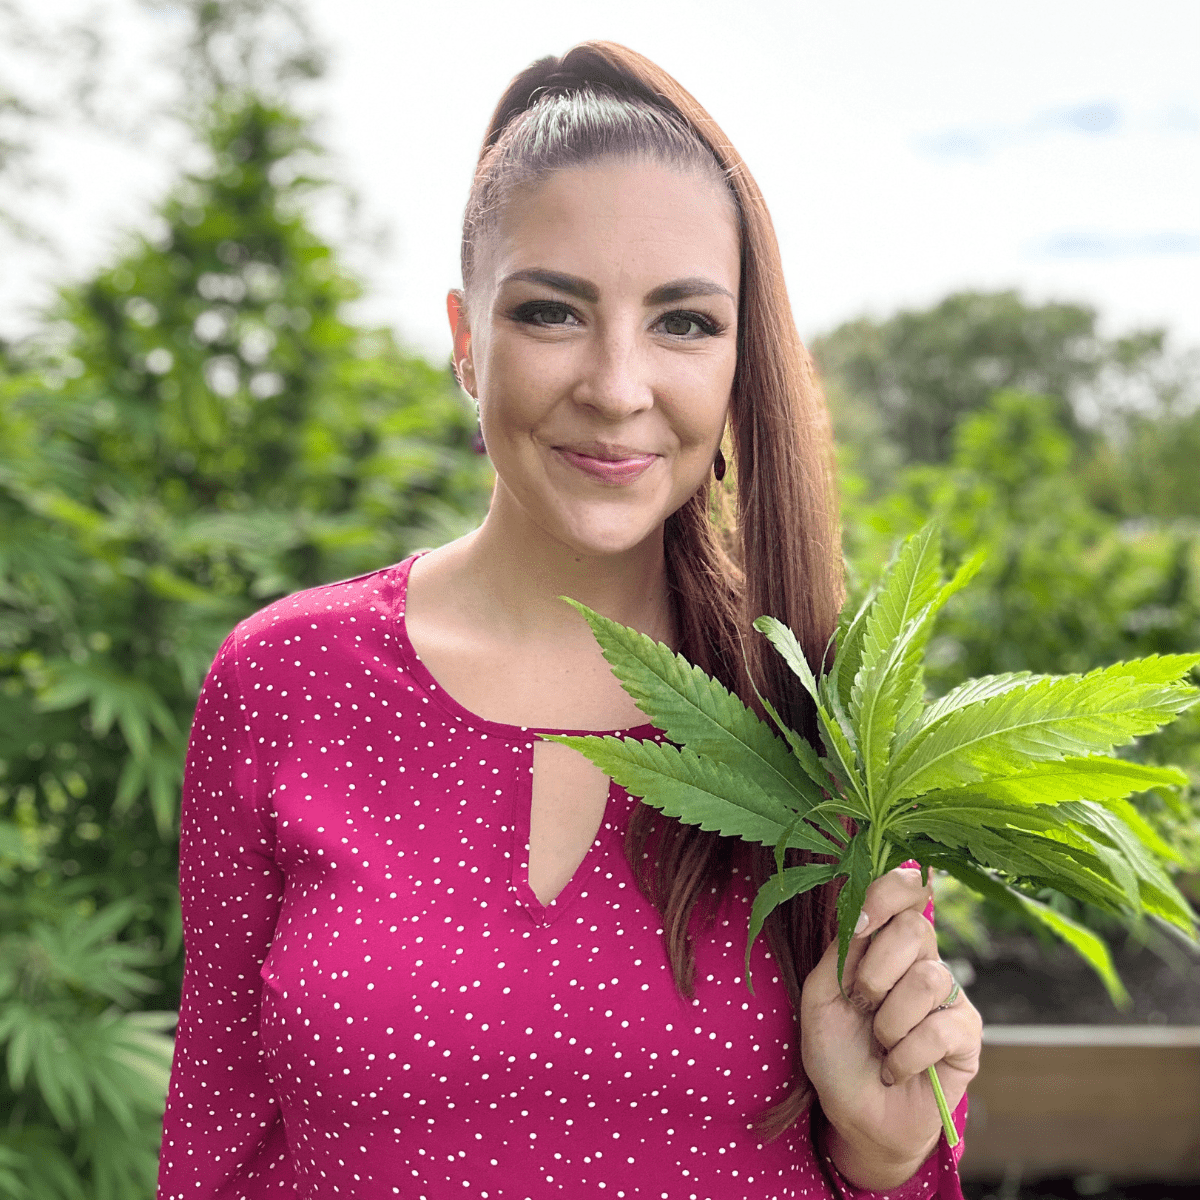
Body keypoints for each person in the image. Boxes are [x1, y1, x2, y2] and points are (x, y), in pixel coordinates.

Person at [156, 42, 982, 1200]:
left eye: (684, 323)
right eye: (552, 311)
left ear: (743, 356)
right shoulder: (284, 681)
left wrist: (886, 1151)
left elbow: (902, 1170)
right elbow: (214, 1153)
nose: (616, 383)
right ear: (463, 336)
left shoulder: (818, 715)